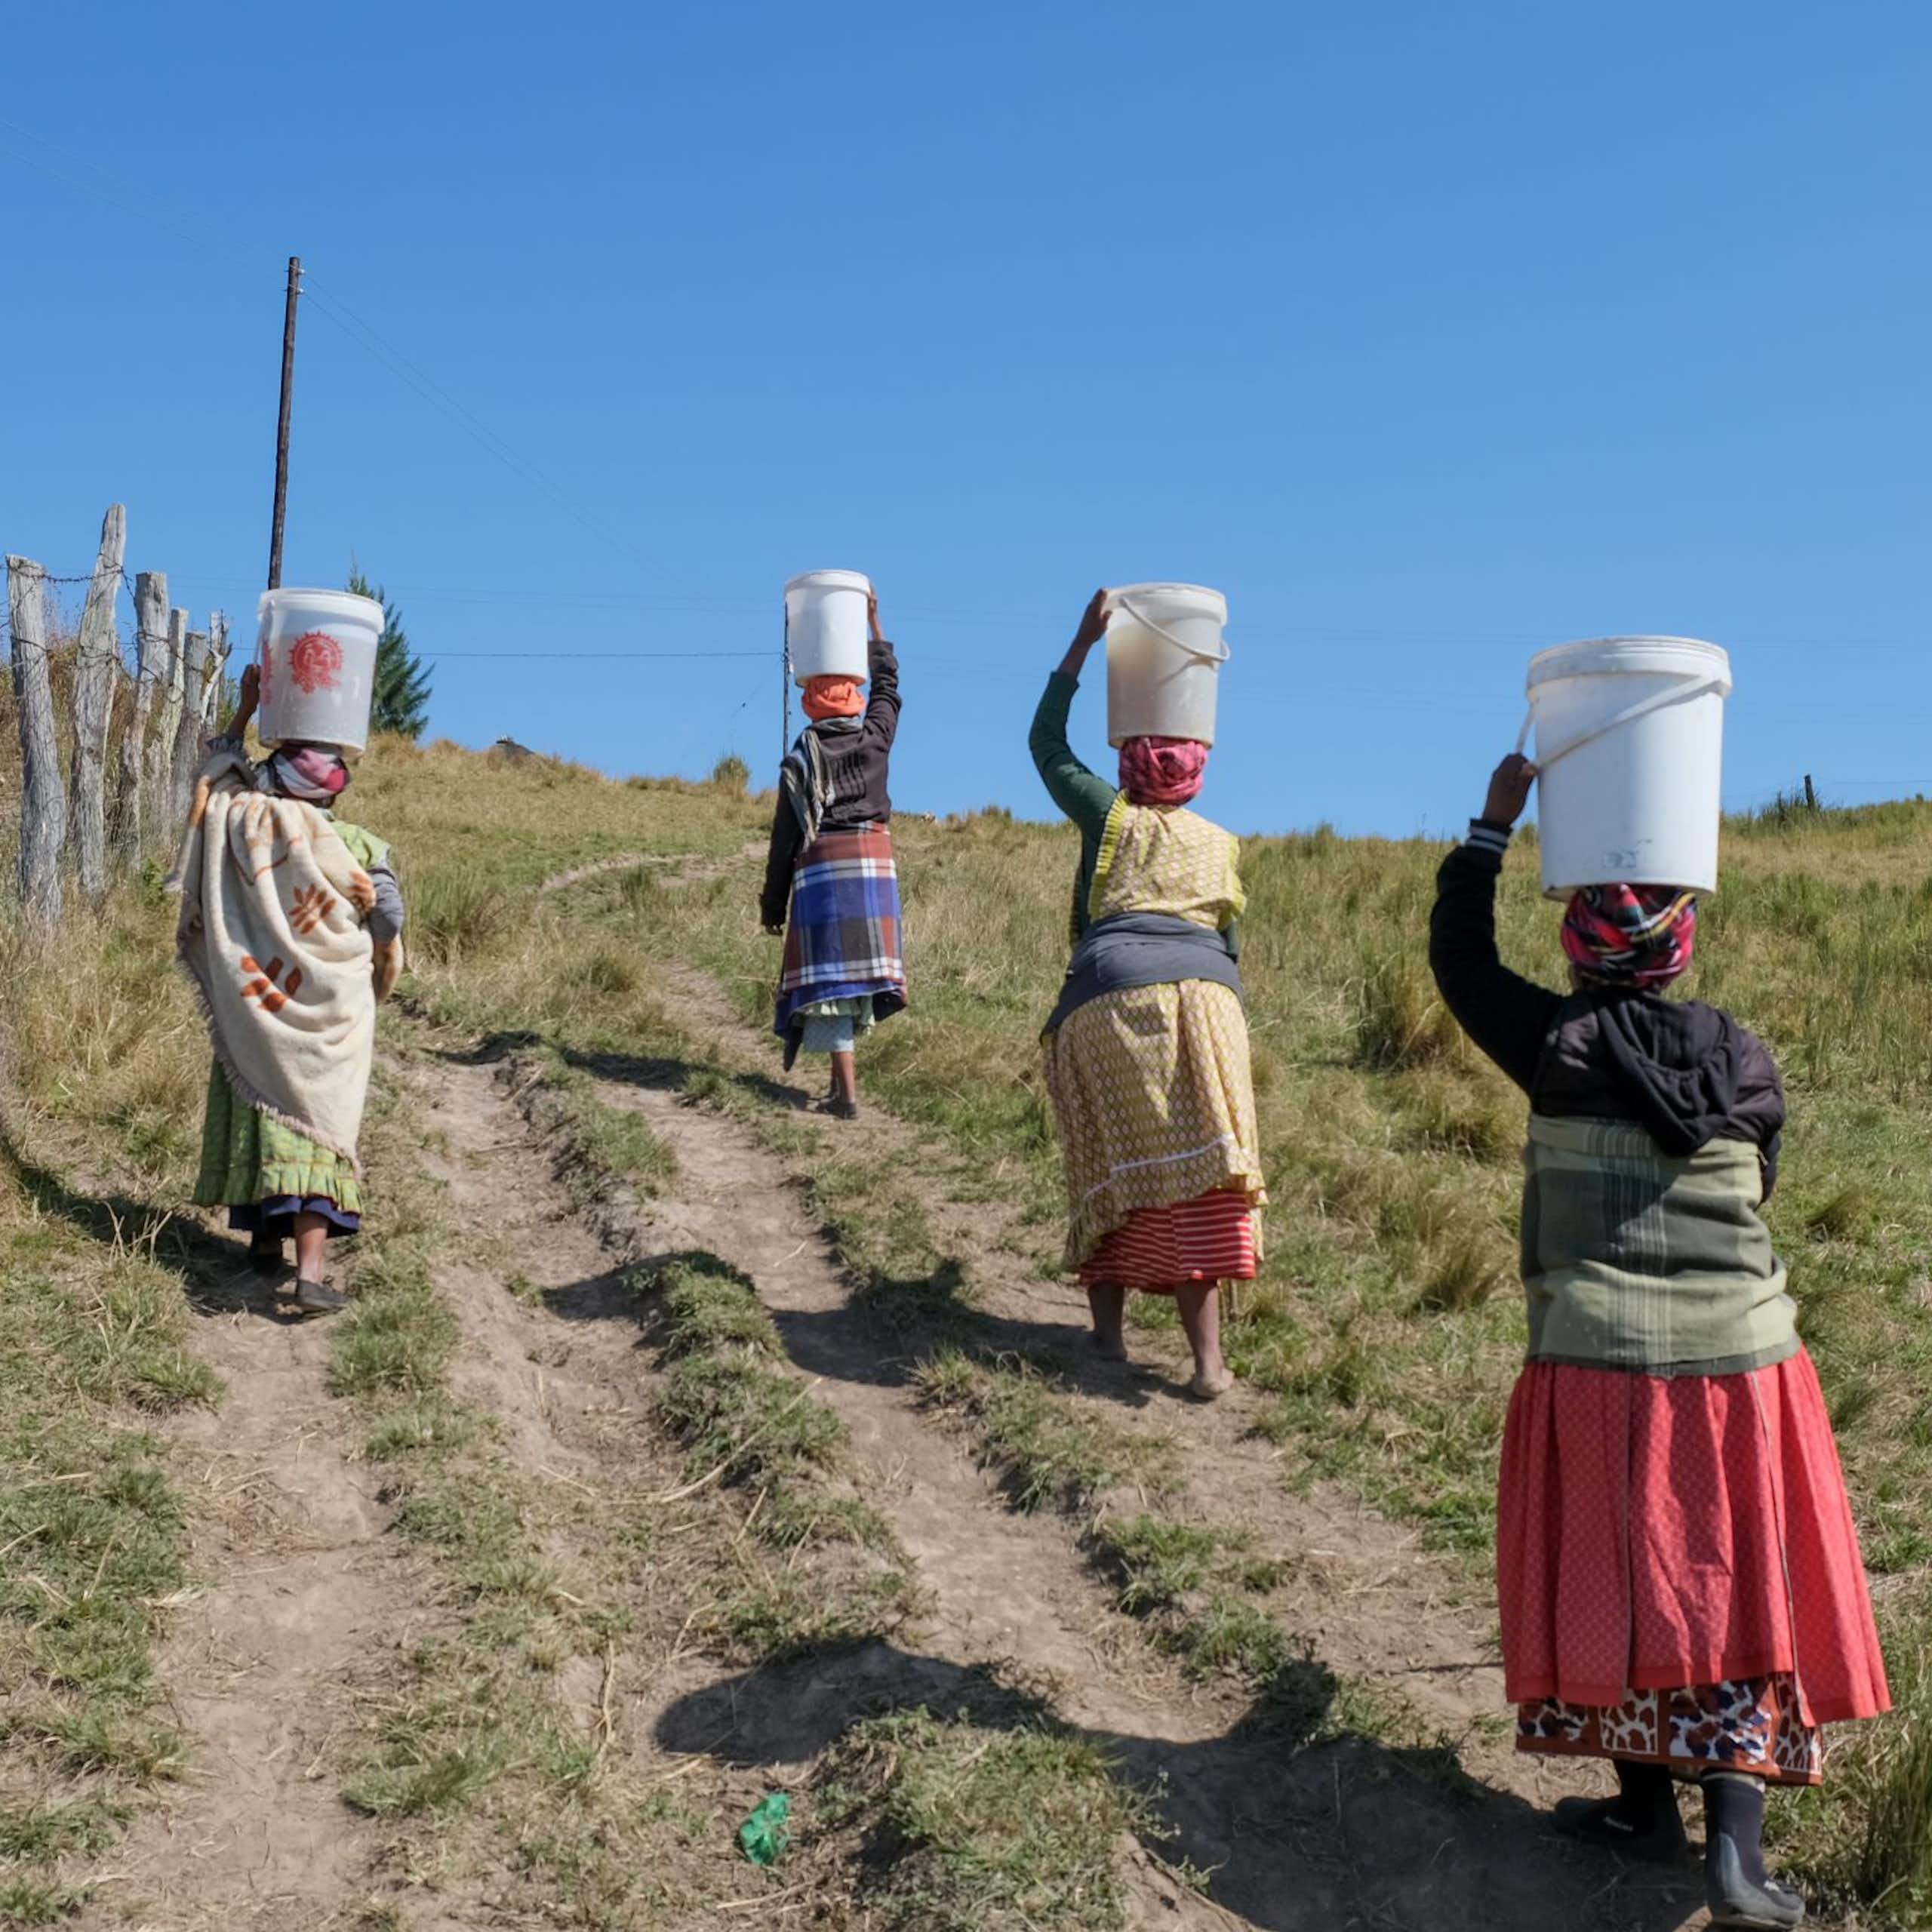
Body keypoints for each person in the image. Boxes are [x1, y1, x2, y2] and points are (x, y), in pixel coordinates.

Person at [1430, 751, 1888, 1930]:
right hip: (1744, 1372)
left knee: (1618, 1577)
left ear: (1580, 950)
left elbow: (1460, 964)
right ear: (1682, 946)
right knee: (1732, 1591)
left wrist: (1491, 830)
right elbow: (1765, 1188)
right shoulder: (1744, 1061)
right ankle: (1732, 1853)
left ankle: (1646, 1808)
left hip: (1593, 1364)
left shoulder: (1551, 1048)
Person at [1029, 589, 1266, 1400]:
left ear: (1129, 756)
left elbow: (1046, 745)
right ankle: (1208, 1365)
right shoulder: (1222, 845)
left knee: (1108, 1156)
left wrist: (1080, 644)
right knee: (1199, 1173)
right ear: (1197, 763)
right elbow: (1229, 946)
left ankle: (1107, 1341)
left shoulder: (1108, 814)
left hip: (1106, 1000)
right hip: (1207, 1006)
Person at [171, 663, 405, 1317]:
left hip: (261, 1000)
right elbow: (387, 920)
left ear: (276, 780)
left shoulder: (242, 822)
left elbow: (215, 767)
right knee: (318, 1124)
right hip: (330, 1012)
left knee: (262, 1104)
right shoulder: (358, 845)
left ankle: (261, 1246)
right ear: (333, 793)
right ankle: (310, 1273)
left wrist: (245, 708)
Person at [761, 588, 906, 1118]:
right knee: (850, 981)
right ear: (856, 698)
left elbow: (784, 840)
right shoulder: (876, 737)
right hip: (873, 863)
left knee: (829, 984)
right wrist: (872, 618)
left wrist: (772, 906)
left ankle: (846, 1096)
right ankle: (838, 1086)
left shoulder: (801, 760)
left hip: (822, 866)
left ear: (809, 701)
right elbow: (890, 685)